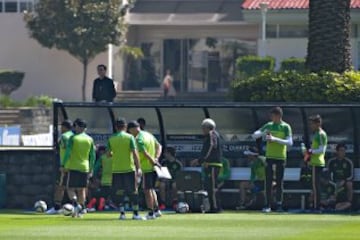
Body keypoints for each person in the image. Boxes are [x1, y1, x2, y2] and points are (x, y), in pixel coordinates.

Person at [252, 107, 293, 213]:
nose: (271, 118)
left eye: (273, 116)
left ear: (279, 116)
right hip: (269, 157)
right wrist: (263, 133)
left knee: (279, 182)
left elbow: (289, 142)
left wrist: (275, 139)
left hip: (281, 157)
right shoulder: (269, 125)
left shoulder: (285, 127)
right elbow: (254, 135)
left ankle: (279, 204)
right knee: (268, 182)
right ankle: (267, 205)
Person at [107, 118, 144, 220]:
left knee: (119, 192)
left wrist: (116, 153)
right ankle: (135, 214)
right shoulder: (130, 137)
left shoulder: (111, 139)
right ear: (125, 126)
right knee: (134, 191)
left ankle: (122, 214)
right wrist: (139, 168)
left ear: (115, 127)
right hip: (129, 168)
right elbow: (135, 153)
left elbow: (108, 154)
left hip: (116, 169)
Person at [127, 120, 162, 219]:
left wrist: (152, 161)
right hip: (152, 167)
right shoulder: (149, 135)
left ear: (132, 129)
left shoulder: (138, 139)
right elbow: (159, 146)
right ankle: (157, 210)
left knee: (147, 191)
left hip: (146, 167)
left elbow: (144, 152)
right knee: (151, 189)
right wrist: (156, 158)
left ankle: (151, 213)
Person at [62, 118, 96, 217]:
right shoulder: (90, 139)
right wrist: (91, 168)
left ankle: (76, 203)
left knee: (70, 188)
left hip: (74, 167)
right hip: (85, 167)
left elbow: (68, 153)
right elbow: (92, 156)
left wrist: (63, 165)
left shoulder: (73, 138)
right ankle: (82, 208)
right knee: (82, 189)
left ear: (77, 126)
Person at [191, 118, 223, 213]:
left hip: (213, 164)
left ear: (207, 127)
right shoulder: (213, 135)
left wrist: (200, 160)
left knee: (212, 187)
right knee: (210, 186)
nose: (202, 130)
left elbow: (210, 147)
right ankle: (214, 206)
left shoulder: (212, 134)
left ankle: (215, 207)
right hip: (210, 164)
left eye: (203, 127)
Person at [46, 120, 74, 214]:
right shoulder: (74, 136)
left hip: (65, 166)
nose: (60, 129)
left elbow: (67, 151)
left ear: (64, 127)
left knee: (60, 187)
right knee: (73, 187)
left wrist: (63, 164)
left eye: (61, 127)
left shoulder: (64, 137)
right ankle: (78, 206)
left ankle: (57, 207)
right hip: (75, 166)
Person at [303, 114, 328, 212]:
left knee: (316, 186)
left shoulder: (321, 134)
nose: (311, 125)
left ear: (318, 123)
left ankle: (317, 207)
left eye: (313, 123)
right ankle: (316, 206)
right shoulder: (317, 134)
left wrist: (310, 152)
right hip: (315, 162)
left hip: (317, 163)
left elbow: (321, 150)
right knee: (315, 185)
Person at [327, 143, 353, 210]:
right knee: (328, 184)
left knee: (349, 184)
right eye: (341, 150)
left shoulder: (348, 162)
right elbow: (328, 175)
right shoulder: (331, 162)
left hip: (344, 182)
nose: (343, 152)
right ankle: (330, 204)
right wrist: (333, 182)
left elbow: (351, 176)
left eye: (344, 151)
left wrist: (344, 181)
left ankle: (349, 203)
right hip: (333, 182)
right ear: (337, 151)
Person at [87, 145, 113, 211]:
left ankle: (98, 203)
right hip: (113, 179)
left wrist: (92, 176)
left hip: (104, 180)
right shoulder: (115, 157)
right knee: (110, 195)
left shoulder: (102, 158)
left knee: (103, 194)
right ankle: (107, 204)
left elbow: (96, 168)